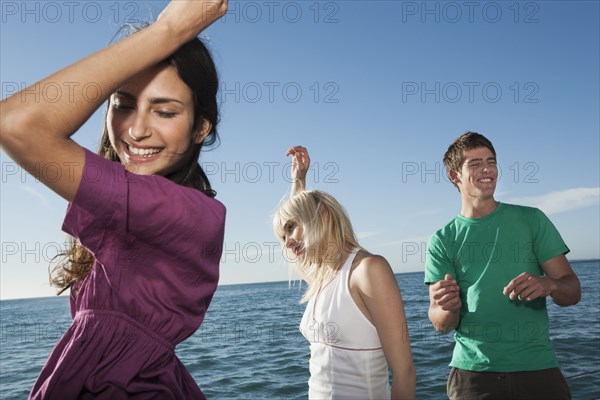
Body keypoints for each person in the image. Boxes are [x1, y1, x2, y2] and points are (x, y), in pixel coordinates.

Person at [0, 1, 228, 398]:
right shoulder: (135, 206)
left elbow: (17, 125)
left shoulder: (187, 213)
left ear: (199, 128)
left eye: (165, 112)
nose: (137, 130)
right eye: (122, 104)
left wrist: (166, 32)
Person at [425, 132, 581, 400]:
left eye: (491, 161)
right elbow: (441, 324)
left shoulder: (532, 220)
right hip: (472, 376)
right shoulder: (441, 240)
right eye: (474, 164)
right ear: (454, 176)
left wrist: (550, 284)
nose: (486, 169)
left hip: (537, 368)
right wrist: (448, 308)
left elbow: (572, 292)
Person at [273, 146, 416, 400]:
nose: (286, 242)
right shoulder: (322, 275)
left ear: (322, 216)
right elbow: (300, 218)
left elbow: (404, 372)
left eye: (291, 229)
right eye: (283, 235)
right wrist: (298, 181)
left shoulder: (368, 270)